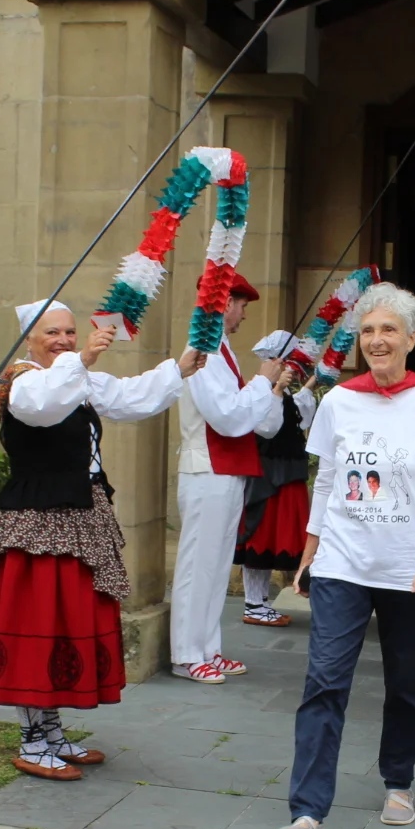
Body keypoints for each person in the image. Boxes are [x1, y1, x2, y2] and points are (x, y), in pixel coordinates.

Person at [276, 284, 415, 829]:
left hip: (413, 571)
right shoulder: (340, 400)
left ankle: (399, 781)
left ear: (412, 338)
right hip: (343, 563)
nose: (377, 340)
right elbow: (328, 482)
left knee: (408, 684)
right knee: (323, 682)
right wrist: (310, 554)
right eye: (367, 330)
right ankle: (307, 813)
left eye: (389, 329)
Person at [0, 301, 199, 776]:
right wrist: (83, 359)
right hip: (38, 524)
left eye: (69, 332)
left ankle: (53, 733)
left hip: (80, 517)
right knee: (38, 627)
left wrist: (177, 369)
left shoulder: (75, 378)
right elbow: (42, 407)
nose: (63, 340)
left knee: (63, 626)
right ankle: (32, 741)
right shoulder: (22, 381)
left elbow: (128, 396)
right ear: (28, 339)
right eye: (51, 332)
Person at [169, 275, 285, 683]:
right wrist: (262, 381)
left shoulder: (222, 351)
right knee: (197, 564)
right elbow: (227, 415)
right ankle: (186, 654)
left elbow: (255, 421)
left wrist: (270, 388)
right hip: (206, 467)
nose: (244, 314)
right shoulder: (202, 349)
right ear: (226, 303)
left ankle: (207, 648)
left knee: (216, 566)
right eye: (242, 305)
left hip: (227, 468)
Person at [237, 330, 318, 628]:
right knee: (259, 539)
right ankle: (253, 604)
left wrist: (313, 380)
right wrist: (276, 389)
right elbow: (267, 428)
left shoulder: (285, 396)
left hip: (287, 477)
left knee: (276, 540)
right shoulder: (257, 392)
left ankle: (261, 603)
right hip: (266, 478)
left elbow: (299, 416)